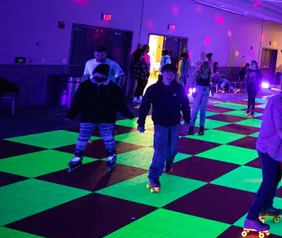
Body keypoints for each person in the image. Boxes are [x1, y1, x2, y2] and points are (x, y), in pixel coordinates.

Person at [241, 76, 282, 237]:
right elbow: (280, 130)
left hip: (270, 147)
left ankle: (267, 206)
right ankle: (251, 217)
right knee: (268, 182)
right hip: (268, 147)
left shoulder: (278, 99)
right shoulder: (279, 103)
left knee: (276, 177)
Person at [66, 64, 134, 172]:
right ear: (93, 74)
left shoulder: (113, 88)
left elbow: (120, 103)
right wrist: (71, 114)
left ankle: (111, 155)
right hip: (88, 116)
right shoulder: (85, 86)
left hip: (106, 117)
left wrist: (129, 115)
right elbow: (77, 101)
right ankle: (78, 156)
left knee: (108, 138)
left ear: (106, 76)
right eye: (96, 75)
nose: (98, 77)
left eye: (101, 75)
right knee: (83, 138)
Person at [136, 63, 191, 192]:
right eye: (167, 72)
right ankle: (154, 176)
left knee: (173, 149)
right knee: (160, 150)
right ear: (162, 73)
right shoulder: (153, 89)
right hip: (160, 123)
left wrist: (187, 121)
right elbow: (144, 105)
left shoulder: (178, 88)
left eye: (172, 73)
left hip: (174, 122)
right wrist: (141, 122)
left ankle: (168, 162)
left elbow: (185, 104)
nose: (170, 75)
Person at [189, 61, 211, 135]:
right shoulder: (197, 73)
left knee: (203, 110)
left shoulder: (209, 74)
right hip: (198, 91)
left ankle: (201, 128)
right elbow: (191, 82)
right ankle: (191, 127)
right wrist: (193, 91)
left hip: (206, 92)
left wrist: (211, 89)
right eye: (204, 67)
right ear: (201, 66)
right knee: (195, 110)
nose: (205, 68)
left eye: (207, 67)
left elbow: (208, 83)